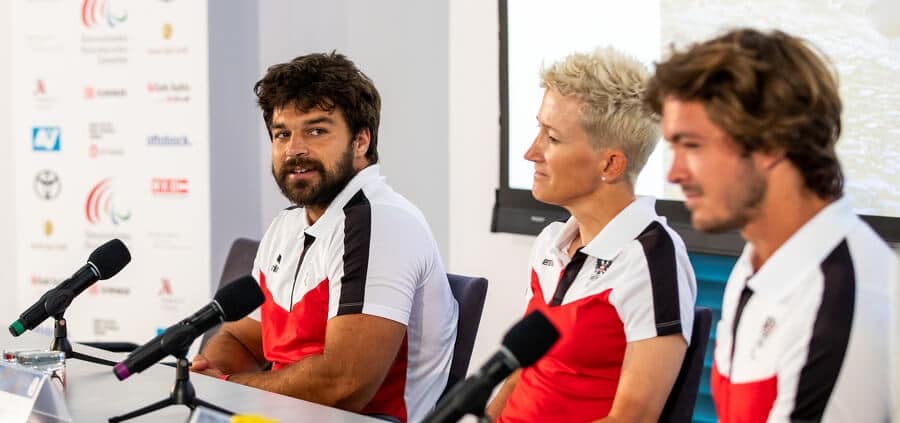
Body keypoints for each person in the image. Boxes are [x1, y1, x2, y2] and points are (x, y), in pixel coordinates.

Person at [645, 28, 898, 422]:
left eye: (691, 145)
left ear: (771, 144)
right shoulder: (756, 263)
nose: (674, 173)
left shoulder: (840, 297)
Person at [192, 52, 458, 423]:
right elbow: (239, 339)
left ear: (361, 141)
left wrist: (224, 387)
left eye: (316, 131)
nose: (294, 149)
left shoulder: (382, 223)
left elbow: (345, 384)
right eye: (282, 134)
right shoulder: (286, 226)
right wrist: (211, 380)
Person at [486, 47, 697, 422]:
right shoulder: (552, 242)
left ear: (610, 164)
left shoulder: (652, 259)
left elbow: (631, 419)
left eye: (551, 137)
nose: (530, 152)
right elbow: (522, 371)